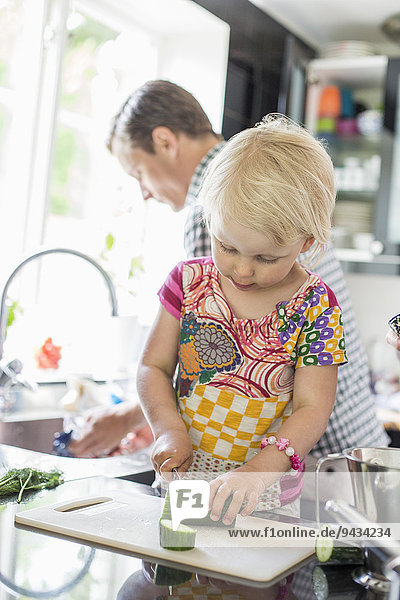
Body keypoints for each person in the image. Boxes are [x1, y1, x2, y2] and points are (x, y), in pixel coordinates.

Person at [68, 79, 389, 458]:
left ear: (165, 142)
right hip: (359, 443)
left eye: (139, 173)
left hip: (305, 456)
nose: (144, 192)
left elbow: (225, 365)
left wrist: (131, 419)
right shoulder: (279, 177)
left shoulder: (217, 211)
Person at [137, 114, 347, 522]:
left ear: (306, 241)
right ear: (209, 219)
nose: (244, 271)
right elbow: (153, 366)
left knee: (249, 583)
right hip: (184, 486)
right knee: (178, 577)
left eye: (267, 257)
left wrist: (257, 474)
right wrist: (167, 429)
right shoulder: (187, 282)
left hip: (265, 502)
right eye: (227, 246)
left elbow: (311, 408)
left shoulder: (316, 306)